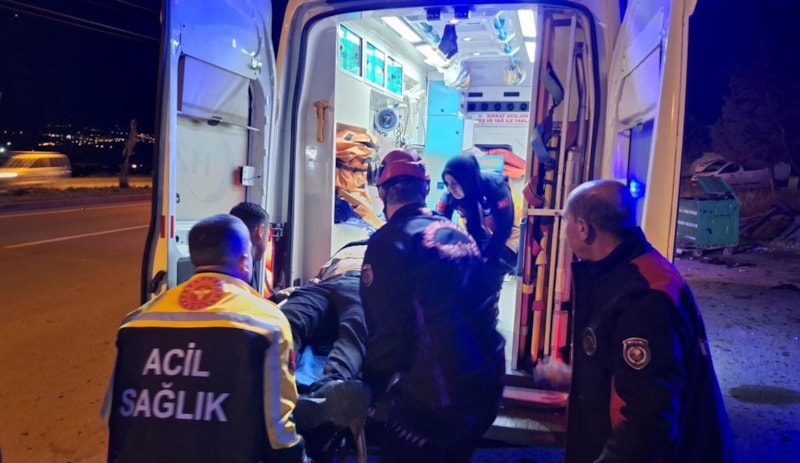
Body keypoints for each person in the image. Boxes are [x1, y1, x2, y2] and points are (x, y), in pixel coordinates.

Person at [102, 214, 309, 463]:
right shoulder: (267, 322)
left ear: (194, 258)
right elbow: (279, 433)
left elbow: (114, 417)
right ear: (245, 262)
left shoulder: (135, 322)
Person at [562, 179, 734, 463]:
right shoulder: (623, 272)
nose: (564, 231)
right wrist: (577, 374)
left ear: (583, 228)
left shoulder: (643, 296)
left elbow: (648, 420)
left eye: (566, 221)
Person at [360, 150, 506, 462]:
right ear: (425, 188)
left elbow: (388, 337)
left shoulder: (389, 243)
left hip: (439, 401)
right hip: (488, 383)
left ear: (382, 192)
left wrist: (369, 387)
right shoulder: (457, 233)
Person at [437, 153, 520, 294]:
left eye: (455, 183)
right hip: (483, 234)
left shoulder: (495, 187)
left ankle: (488, 303)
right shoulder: (449, 196)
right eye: (447, 183)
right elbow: (439, 227)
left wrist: (484, 257)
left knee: (487, 275)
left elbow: (504, 230)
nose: (451, 188)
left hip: (511, 234)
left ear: (466, 180)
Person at [230, 201, 276, 298]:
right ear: (260, 230)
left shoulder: (227, 259)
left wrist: (275, 298)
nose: (268, 240)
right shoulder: (244, 267)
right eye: (268, 236)